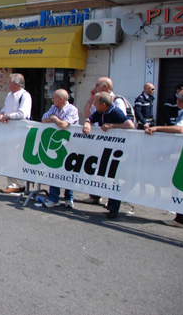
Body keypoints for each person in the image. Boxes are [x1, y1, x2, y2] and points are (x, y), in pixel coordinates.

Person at [145, 88, 183, 229]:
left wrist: (157, 128)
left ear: (178, 101)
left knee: (182, 186)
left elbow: (181, 129)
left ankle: (182, 219)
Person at [82, 92, 135, 218]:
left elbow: (130, 125)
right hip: (104, 149)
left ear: (104, 104)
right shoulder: (100, 112)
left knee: (114, 178)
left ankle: (113, 208)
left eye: (96, 103)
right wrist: (87, 124)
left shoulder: (116, 112)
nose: (94, 105)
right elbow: (89, 118)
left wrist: (112, 126)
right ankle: (99, 197)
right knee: (104, 176)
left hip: (117, 151)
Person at [82, 76, 126, 205]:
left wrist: (111, 126)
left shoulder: (117, 102)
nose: (94, 87)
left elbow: (125, 123)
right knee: (95, 168)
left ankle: (111, 201)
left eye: (97, 84)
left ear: (105, 87)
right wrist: (91, 100)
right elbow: (87, 115)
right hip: (98, 141)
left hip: (113, 144)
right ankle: (95, 195)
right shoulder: (97, 99)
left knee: (110, 172)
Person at [40, 89, 80, 208]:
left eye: (54, 98)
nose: (52, 100)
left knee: (68, 170)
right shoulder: (53, 108)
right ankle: (54, 198)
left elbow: (64, 125)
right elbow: (43, 119)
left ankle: (69, 198)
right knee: (54, 170)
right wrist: (54, 119)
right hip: (56, 144)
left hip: (69, 144)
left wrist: (54, 119)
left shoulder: (72, 109)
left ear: (61, 99)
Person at [0, 73, 32, 193]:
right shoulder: (9, 95)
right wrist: (2, 114)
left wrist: (7, 116)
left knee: (18, 158)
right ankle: (12, 184)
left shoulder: (25, 96)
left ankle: (22, 184)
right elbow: (5, 108)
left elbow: (23, 114)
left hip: (19, 132)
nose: (8, 84)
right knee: (8, 157)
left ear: (16, 84)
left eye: (10, 82)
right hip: (8, 131)